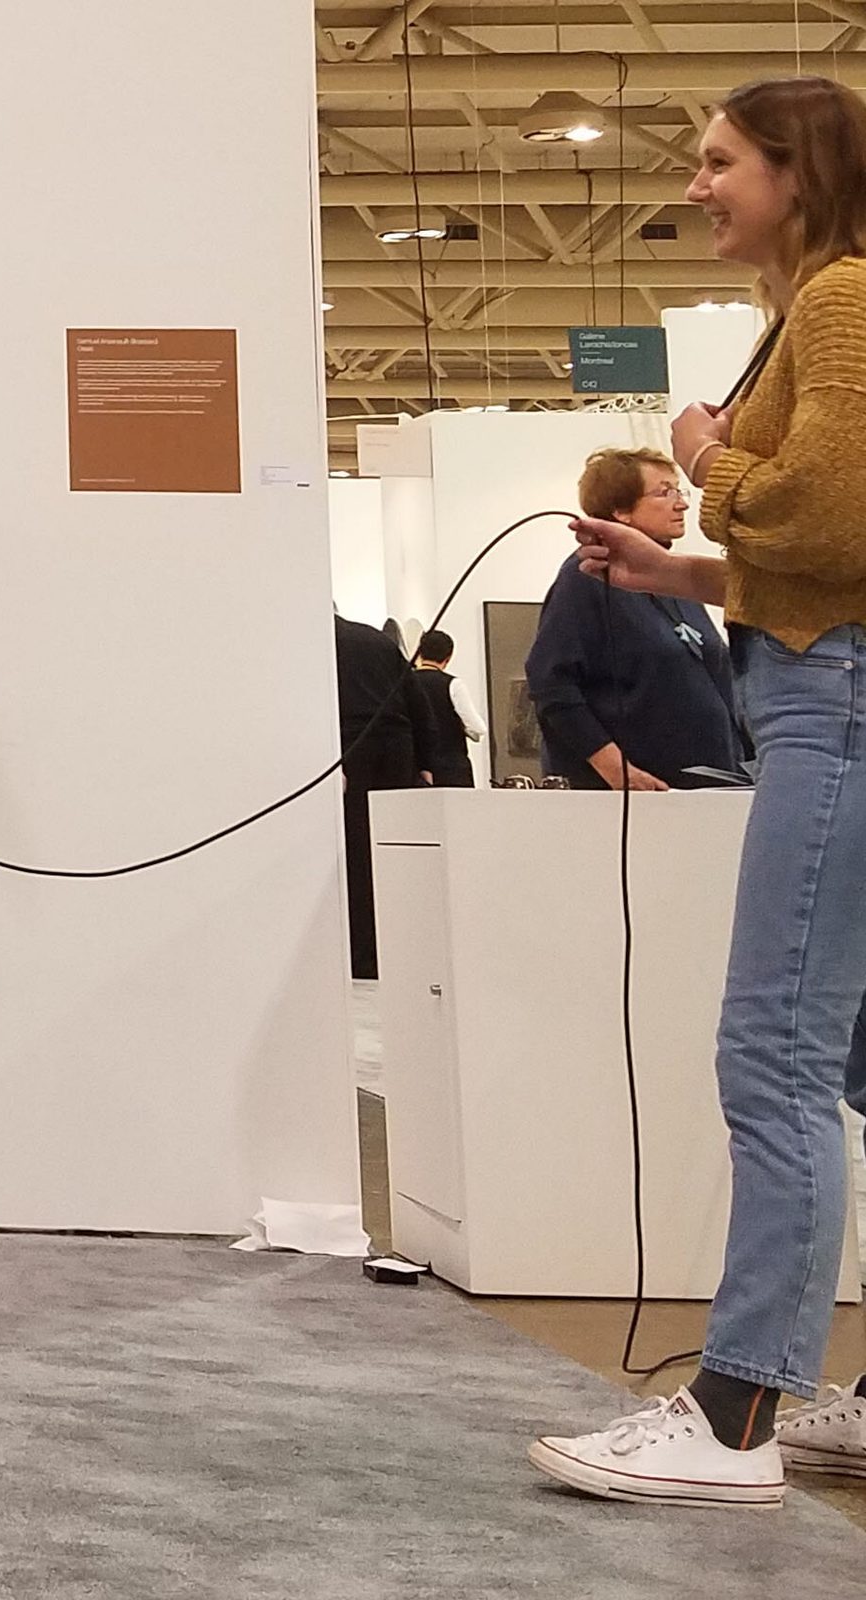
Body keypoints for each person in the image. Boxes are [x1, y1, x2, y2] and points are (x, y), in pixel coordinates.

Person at [527, 76, 866, 1508]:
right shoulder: (827, 305)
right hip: (827, 685)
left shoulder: (839, 297)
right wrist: (682, 569)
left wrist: (706, 461)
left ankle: (734, 1416)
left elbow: (833, 509)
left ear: (798, 171)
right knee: (850, 1064)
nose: (694, 185)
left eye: (720, 161)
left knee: (774, 1054)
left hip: (834, 713)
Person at [524, 447, 744, 791]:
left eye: (679, 491)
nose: (681, 504)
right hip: (639, 797)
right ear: (621, 511)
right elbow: (551, 684)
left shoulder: (673, 582)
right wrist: (617, 769)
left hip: (712, 789)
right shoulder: (588, 576)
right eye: (664, 492)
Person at [335, 611, 437, 980]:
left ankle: (363, 956)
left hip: (350, 751)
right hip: (397, 749)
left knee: (356, 855)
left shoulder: (315, 643)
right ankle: (399, 949)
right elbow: (418, 703)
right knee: (395, 851)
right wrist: (426, 762)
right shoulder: (376, 640)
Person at [412, 629, 486, 788]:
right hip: (452, 769)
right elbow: (477, 728)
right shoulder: (453, 684)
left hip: (416, 767)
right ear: (448, 657)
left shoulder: (405, 682)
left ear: (420, 653)